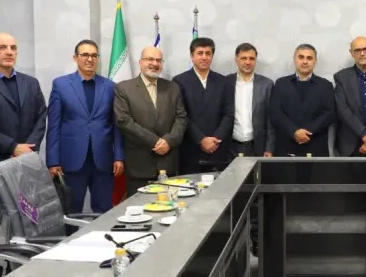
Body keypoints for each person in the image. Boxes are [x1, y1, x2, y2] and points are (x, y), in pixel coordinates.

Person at [0, 32, 47, 277]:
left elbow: (41, 116)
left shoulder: (30, 83)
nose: (9, 52)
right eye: (2, 47)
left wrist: (28, 149)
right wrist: (13, 146)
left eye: (13, 47)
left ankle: (23, 268)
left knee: (26, 220)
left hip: (24, 166)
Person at [46, 40, 124, 213]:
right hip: (71, 161)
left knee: (103, 211)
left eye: (94, 55)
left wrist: (119, 156)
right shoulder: (61, 85)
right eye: (85, 55)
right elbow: (53, 125)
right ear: (75, 58)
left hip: (103, 162)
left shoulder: (110, 87)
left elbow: (116, 125)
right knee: (71, 212)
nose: (90, 59)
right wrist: (53, 160)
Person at [113, 47, 187, 196]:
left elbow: (181, 118)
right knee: (139, 207)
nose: (154, 63)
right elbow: (124, 121)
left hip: (168, 161)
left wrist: (168, 141)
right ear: (140, 62)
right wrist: (156, 142)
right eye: (150, 59)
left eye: (159, 60)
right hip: (139, 165)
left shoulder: (173, 88)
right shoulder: (124, 88)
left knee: (170, 206)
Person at [173, 37, 234, 173]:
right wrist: (201, 139)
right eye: (200, 53)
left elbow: (229, 113)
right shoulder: (179, 81)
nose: (204, 57)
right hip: (191, 147)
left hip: (218, 147)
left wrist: (216, 138)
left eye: (208, 53)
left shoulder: (223, 81)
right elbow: (181, 115)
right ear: (192, 56)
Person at [270, 44, 335, 157]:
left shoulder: (325, 85)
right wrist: (294, 131)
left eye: (309, 58)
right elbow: (276, 112)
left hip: (315, 146)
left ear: (315, 61)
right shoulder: (281, 84)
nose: (305, 61)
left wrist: (307, 131)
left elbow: (330, 114)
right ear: (294, 59)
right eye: (301, 57)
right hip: (286, 146)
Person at [225, 43, 275, 158]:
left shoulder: (266, 84)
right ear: (236, 60)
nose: (248, 62)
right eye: (243, 58)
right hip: (230, 148)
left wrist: (269, 148)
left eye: (251, 58)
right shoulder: (225, 82)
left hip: (258, 147)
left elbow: (270, 120)